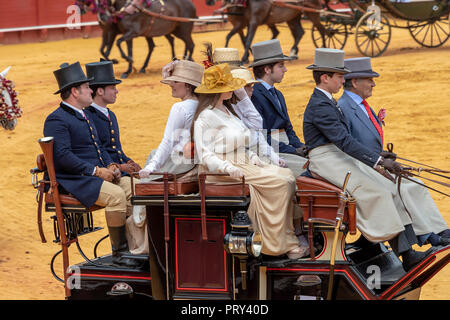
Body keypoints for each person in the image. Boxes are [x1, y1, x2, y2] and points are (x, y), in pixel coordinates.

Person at [302, 48, 434, 271]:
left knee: (389, 188)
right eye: (340, 76)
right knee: (378, 192)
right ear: (325, 78)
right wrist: (379, 162)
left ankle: (406, 251)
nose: (344, 81)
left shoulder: (326, 101)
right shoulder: (320, 104)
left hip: (336, 155)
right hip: (326, 159)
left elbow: (345, 141)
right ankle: (394, 248)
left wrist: (379, 156)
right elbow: (344, 140)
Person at [192, 63, 309, 259]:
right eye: (229, 86)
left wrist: (254, 157)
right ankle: (275, 242)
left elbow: (246, 137)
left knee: (287, 176)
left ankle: (286, 235)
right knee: (279, 182)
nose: (233, 90)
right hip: (221, 172)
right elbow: (205, 155)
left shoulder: (228, 111)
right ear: (218, 91)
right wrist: (227, 167)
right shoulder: (205, 117)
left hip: (243, 161)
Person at [338, 57, 450, 246]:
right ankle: (426, 235)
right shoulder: (344, 107)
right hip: (363, 167)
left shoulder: (361, 105)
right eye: (369, 80)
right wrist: (377, 163)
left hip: (375, 162)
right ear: (355, 82)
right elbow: (348, 145)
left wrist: (381, 155)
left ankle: (439, 229)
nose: (373, 84)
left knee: (416, 183)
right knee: (402, 188)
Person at [43, 62, 139, 267]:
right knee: (116, 196)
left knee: (132, 189)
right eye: (87, 87)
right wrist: (95, 171)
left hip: (92, 175)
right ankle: (119, 253)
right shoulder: (56, 119)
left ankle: (133, 247)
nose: (90, 90)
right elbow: (62, 156)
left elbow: (98, 148)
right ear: (74, 92)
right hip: (75, 179)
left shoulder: (84, 114)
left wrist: (112, 165)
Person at [249, 39, 308, 177]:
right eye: (281, 66)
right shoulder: (255, 95)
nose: (285, 69)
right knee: (307, 170)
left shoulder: (278, 94)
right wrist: (292, 150)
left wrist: (299, 146)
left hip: (283, 146)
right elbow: (261, 136)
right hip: (270, 150)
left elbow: (288, 128)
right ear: (267, 69)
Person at [85, 60, 142, 177]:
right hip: (107, 173)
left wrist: (129, 161)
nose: (116, 91)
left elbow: (116, 149)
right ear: (100, 91)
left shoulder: (111, 115)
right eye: (112, 87)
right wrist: (120, 167)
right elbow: (98, 150)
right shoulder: (88, 116)